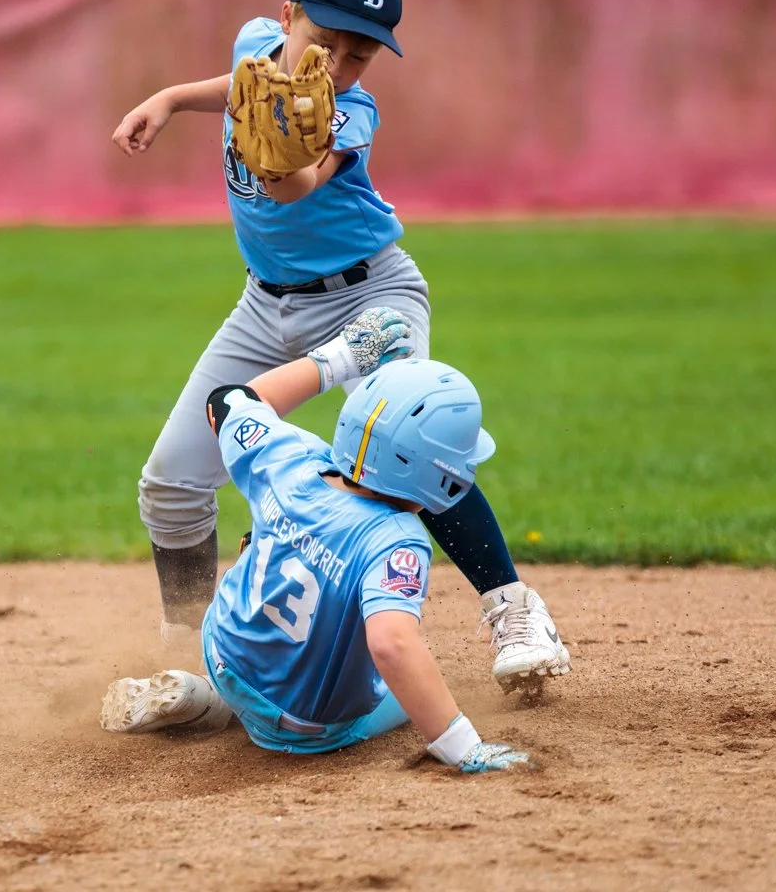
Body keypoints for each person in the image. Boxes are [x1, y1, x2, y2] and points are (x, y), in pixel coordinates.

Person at [110, 0, 569, 693]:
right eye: (325, 43)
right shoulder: (256, 42)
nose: (341, 65)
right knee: (171, 482)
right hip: (264, 305)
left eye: (361, 54)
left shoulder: (352, 110)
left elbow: (294, 187)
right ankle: (186, 648)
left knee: (409, 446)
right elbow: (240, 84)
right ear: (287, 16)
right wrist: (168, 98)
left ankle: (514, 609)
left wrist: (277, 156)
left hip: (371, 298)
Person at [100, 315, 530, 773]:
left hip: (221, 650)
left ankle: (211, 692)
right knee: (412, 684)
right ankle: (222, 706)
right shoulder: (397, 540)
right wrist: (464, 749)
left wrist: (337, 360)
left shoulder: (289, 455)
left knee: (265, 541)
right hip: (302, 725)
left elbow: (228, 399)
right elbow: (391, 645)